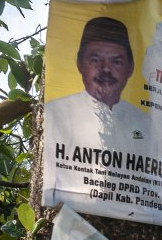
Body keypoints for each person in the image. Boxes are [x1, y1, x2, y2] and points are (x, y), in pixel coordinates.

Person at [48, 16, 151, 156]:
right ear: (79, 63)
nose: (106, 69)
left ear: (130, 68)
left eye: (116, 62)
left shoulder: (145, 124)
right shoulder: (55, 113)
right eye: (95, 60)